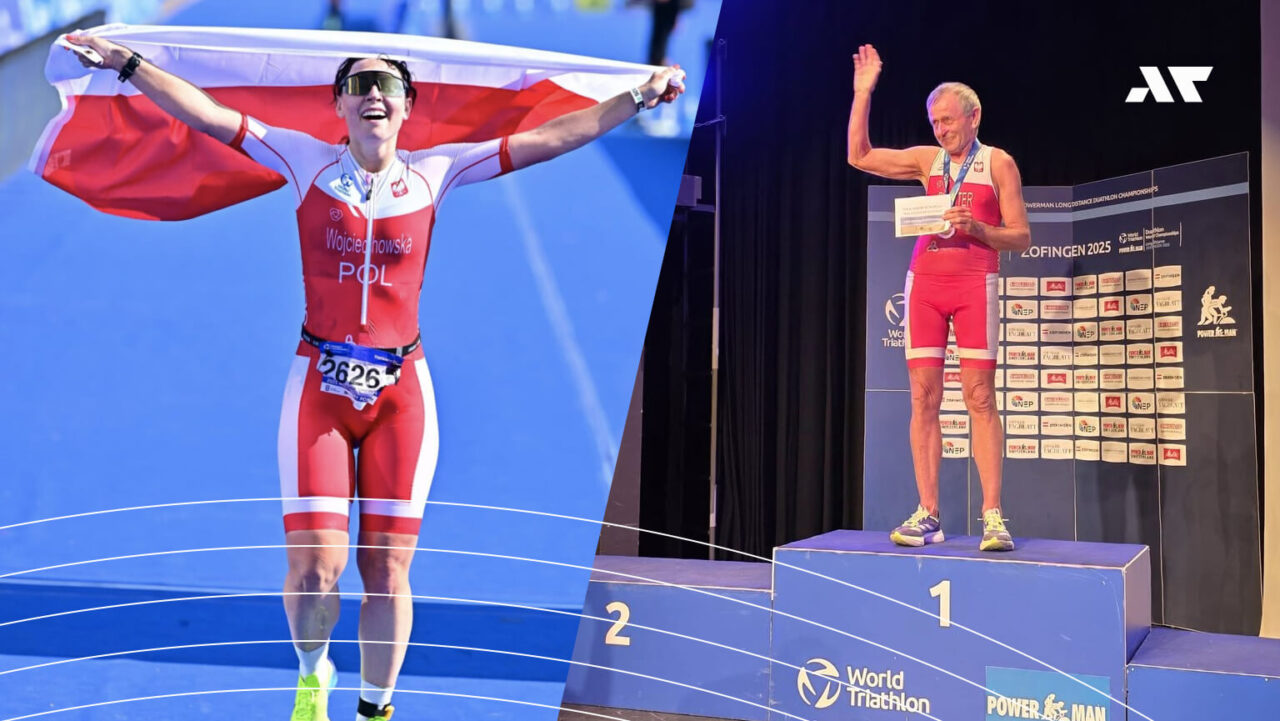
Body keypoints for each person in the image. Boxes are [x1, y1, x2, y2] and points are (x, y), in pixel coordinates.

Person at [65, 32, 684, 721]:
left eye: (386, 85)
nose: (373, 95)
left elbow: (552, 137)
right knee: (315, 569)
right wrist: (126, 64)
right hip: (319, 390)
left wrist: (636, 98)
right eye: (358, 86)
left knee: (386, 570)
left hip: (401, 396)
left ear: (408, 105)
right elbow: (207, 114)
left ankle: (375, 709)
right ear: (338, 105)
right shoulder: (300, 158)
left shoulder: (438, 170)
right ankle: (312, 675)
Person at [846, 44, 1030, 552]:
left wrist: (979, 228)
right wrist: (863, 94)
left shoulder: (998, 163)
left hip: (975, 285)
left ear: (974, 117)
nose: (940, 130)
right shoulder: (928, 161)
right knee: (924, 398)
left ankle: (992, 515)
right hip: (924, 286)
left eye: (947, 120)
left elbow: (1021, 236)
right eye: (934, 122)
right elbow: (859, 156)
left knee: (980, 398)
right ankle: (928, 513)